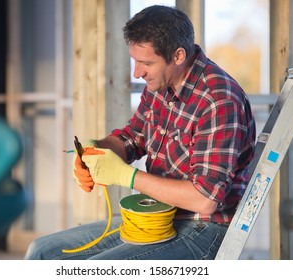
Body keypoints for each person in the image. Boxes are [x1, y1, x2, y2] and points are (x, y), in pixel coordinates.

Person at [25, 5, 255, 260]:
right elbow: (134, 138)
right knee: (42, 253)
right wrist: (96, 150)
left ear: (178, 56)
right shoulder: (160, 84)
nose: (137, 72)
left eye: (146, 63)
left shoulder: (218, 100)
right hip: (156, 217)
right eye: (135, 61)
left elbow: (205, 199)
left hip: (203, 230)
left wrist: (126, 176)